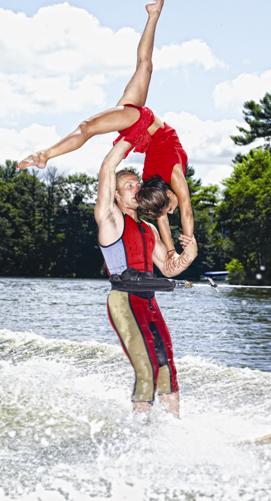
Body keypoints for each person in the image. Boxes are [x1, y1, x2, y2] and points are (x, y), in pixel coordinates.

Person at [17, 0, 194, 270]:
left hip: (142, 131)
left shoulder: (151, 189)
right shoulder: (172, 178)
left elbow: (162, 217)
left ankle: (153, 15)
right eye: (171, 206)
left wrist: (174, 252)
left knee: (144, 68)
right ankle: (45, 155)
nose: (172, 210)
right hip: (143, 125)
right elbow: (185, 211)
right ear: (171, 196)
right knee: (91, 123)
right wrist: (188, 238)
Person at [95, 131, 198, 418]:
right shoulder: (110, 219)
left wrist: (189, 255)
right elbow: (107, 168)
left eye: (137, 184)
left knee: (167, 368)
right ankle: (139, 433)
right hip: (124, 302)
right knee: (147, 368)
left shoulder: (149, 229)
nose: (136, 188)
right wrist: (132, 136)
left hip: (149, 302)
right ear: (116, 195)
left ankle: (173, 429)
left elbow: (168, 268)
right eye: (128, 186)